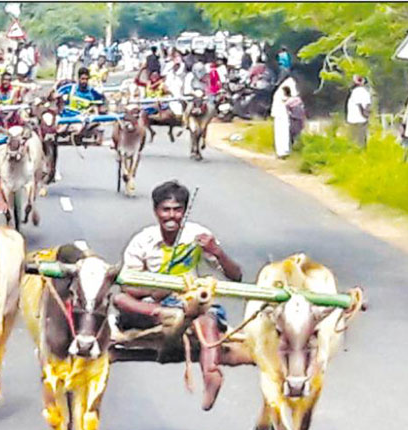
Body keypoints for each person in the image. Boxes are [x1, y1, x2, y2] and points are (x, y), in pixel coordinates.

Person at [113, 181, 246, 411]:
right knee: (119, 300)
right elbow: (127, 287)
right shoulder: (142, 242)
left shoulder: (198, 236)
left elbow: (236, 275)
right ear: (156, 212)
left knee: (207, 317)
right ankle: (169, 316)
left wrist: (217, 252)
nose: (172, 216)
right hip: (153, 308)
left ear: (184, 211)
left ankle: (211, 374)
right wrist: (157, 291)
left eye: (177, 210)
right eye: (166, 210)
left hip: (192, 302)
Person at [346, 75, 371, 147]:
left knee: (355, 141)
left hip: (356, 119)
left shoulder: (357, 91)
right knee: (361, 140)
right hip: (360, 119)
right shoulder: (366, 92)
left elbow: (360, 105)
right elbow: (367, 106)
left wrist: (364, 114)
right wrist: (366, 115)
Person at [272, 84, 292, 158]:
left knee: (281, 133)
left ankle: (281, 152)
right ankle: (283, 151)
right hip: (282, 115)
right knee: (283, 133)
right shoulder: (280, 94)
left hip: (280, 115)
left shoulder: (278, 93)